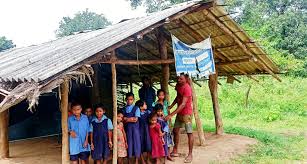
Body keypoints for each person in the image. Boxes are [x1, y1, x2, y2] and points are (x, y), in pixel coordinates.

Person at [165, 73, 194, 163]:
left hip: (186, 114)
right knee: (175, 131)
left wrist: (171, 114)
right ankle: (175, 150)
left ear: (186, 79)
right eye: (178, 78)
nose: (178, 80)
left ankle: (190, 154)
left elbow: (183, 104)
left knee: (189, 133)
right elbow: (178, 97)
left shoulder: (187, 88)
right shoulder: (178, 86)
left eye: (181, 79)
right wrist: (171, 106)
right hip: (179, 112)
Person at [123, 92, 141, 164]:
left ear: (133, 100)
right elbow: (122, 119)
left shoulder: (136, 108)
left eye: (131, 99)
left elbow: (136, 119)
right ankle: (129, 161)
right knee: (129, 144)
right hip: (127, 130)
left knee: (136, 144)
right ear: (125, 100)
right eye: (127, 99)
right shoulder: (124, 109)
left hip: (135, 129)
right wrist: (130, 119)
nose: (129, 101)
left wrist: (126, 119)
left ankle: (136, 161)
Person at [136, 100, 151, 164]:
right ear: (140, 107)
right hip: (140, 131)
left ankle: (148, 159)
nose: (146, 105)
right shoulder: (137, 114)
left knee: (148, 145)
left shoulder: (148, 112)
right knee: (140, 145)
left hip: (147, 131)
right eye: (145, 104)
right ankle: (142, 160)